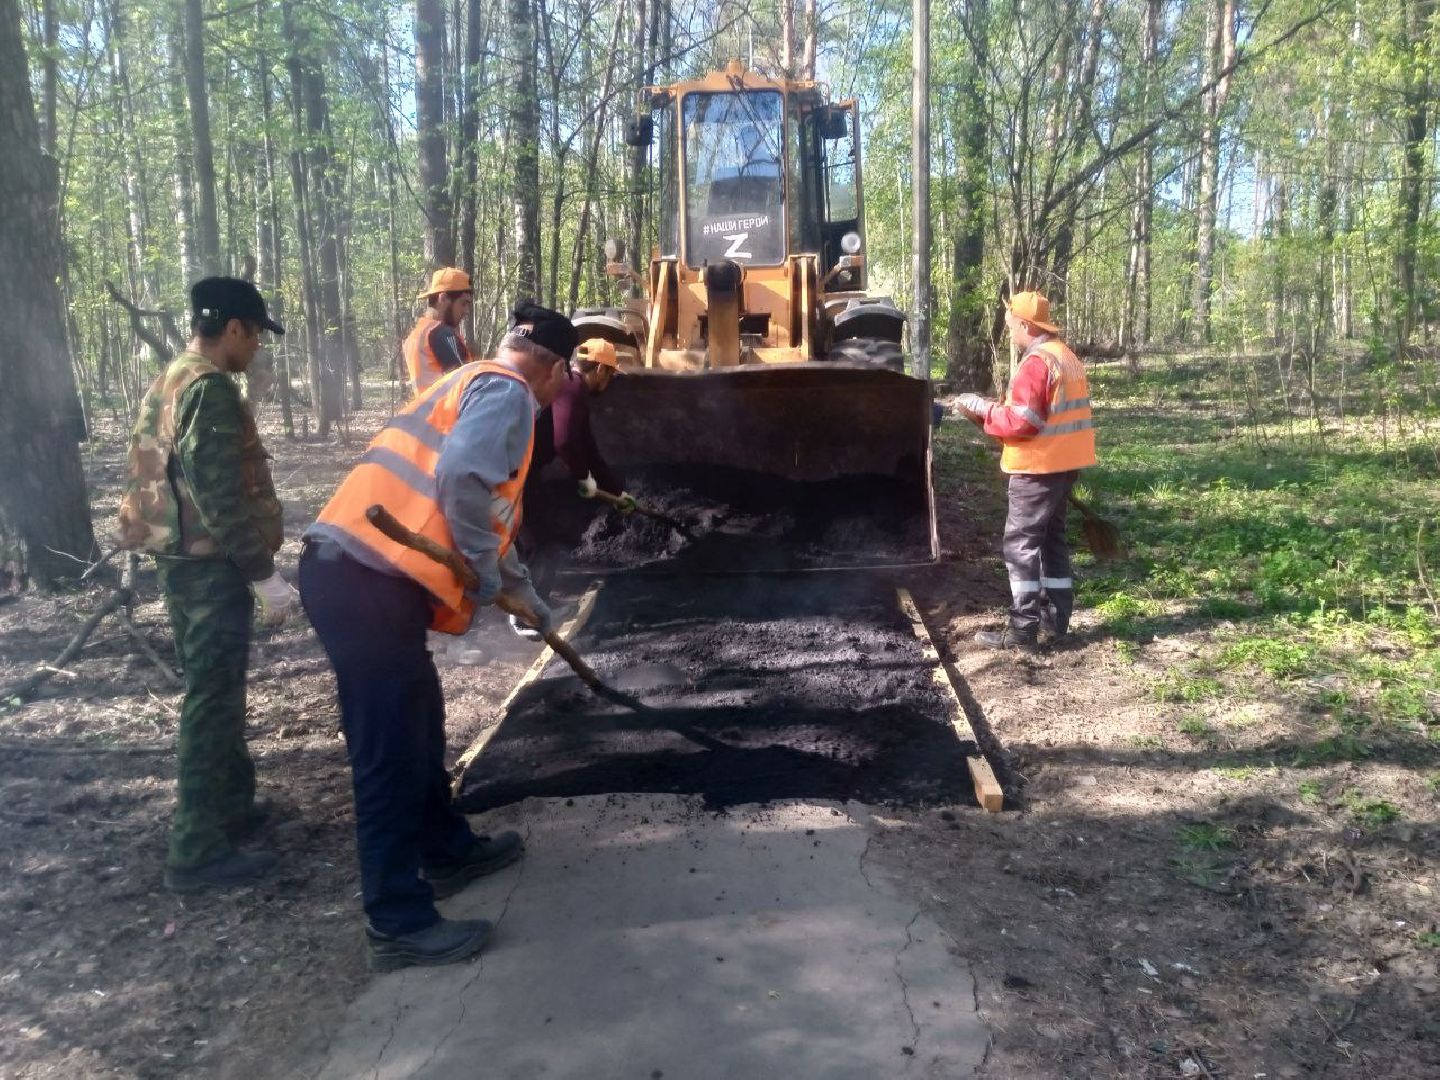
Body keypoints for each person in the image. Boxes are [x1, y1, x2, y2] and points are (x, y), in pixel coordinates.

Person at [298, 299, 575, 972]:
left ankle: (445, 849)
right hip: (363, 577)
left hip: (358, 576)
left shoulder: (473, 378)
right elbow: (458, 480)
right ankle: (396, 921)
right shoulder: (510, 395)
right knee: (388, 751)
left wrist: (526, 601)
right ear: (558, 367)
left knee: (419, 717)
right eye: (568, 378)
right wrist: (482, 576)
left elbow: (485, 511)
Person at [117, 276, 298, 892]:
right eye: (255, 337)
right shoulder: (211, 388)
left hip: (182, 558)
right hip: (207, 564)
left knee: (215, 685)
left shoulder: (174, 374)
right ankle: (196, 849)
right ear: (235, 329)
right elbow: (216, 494)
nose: (256, 352)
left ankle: (230, 807)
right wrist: (262, 573)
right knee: (212, 699)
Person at [956, 290, 1097, 650]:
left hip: (1037, 470)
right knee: (1052, 541)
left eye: (1011, 325)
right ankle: (1055, 620)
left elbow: (1024, 422)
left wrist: (984, 409)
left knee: (1021, 547)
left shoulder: (1037, 363)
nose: (1009, 331)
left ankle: (1022, 631)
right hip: (1063, 467)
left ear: (1025, 324)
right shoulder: (1065, 357)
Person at [511, 337, 636, 640]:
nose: (609, 384)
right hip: (515, 473)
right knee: (545, 541)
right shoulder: (572, 387)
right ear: (602, 370)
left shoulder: (571, 388)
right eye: (611, 376)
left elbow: (588, 448)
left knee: (538, 539)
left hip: (525, 472)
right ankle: (527, 617)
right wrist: (583, 478)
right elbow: (564, 441)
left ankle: (531, 606)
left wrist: (616, 491)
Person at [404, 267, 474, 395]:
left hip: (426, 412)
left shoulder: (415, 336)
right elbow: (466, 386)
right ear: (443, 299)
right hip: (449, 413)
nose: (466, 311)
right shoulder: (442, 334)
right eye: (463, 303)